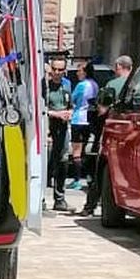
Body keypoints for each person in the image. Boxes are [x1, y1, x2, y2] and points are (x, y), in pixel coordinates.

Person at [82, 54, 133, 216]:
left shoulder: (113, 84)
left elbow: (102, 108)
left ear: (118, 67)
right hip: (132, 134)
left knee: (102, 171)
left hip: (112, 132)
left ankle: (90, 207)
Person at [45, 58, 73, 211]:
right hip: (47, 127)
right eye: (54, 69)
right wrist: (56, 114)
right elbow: (40, 108)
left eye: (60, 70)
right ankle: (40, 199)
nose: (56, 73)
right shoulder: (45, 86)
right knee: (46, 163)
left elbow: (71, 104)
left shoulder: (67, 85)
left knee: (63, 161)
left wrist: (69, 113)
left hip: (62, 128)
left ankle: (60, 198)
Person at [68, 61, 99, 190]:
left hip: (78, 119)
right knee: (85, 149)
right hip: (89, 120)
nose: (77, 73)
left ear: (85, 72)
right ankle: (88, 176)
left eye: (79, 70)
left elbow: (72, 99)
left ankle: (76, 180)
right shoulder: (95, 85)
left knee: (76, 151)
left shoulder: (81, 85)